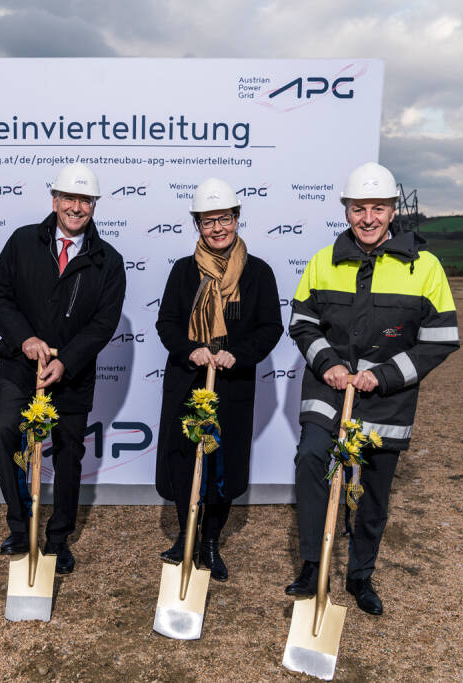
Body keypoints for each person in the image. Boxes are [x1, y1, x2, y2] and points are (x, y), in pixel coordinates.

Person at [285, 162, 459, 614]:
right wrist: (328, 364)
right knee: (311, 459)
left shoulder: (425, 267)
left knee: (374, 489)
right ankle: (313, 563)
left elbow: (440, 339)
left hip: (387, 397)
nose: (368, 218)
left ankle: (360, 575)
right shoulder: (323, 261)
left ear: (392, 211)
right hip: (330, 389)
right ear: (346, 211)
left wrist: (382, 376)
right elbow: (302, 322)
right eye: (358, 209)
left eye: (377, 208)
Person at [0, 162, 126, 574]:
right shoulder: (22, 241)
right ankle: (19, 523)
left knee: (68, 455)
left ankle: (58, 538)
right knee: (3, 432)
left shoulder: (108, 260)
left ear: (94, 206)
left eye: (85, 200)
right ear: (55, 200)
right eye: (69, 198)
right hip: (19, 364)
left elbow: (104, 323)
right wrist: (24, 339)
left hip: (72, 374)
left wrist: (66, 361)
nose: (76, 207)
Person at [154, 178, 283, 581]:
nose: (217, 228)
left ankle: (210, 540)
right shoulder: (183, 271)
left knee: (222, 464)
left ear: (237, 219)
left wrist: (237, 354)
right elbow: (166, 322)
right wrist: (189, 349)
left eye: (224, 219)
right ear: (197, 225)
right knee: (183, 460)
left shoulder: (258, 273)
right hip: (188, 380)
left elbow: (271, 327)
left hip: (232, 384)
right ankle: (186, 534)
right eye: (208, 221)